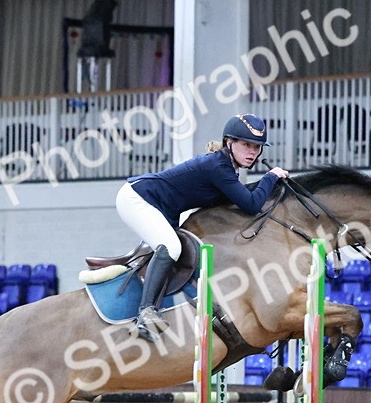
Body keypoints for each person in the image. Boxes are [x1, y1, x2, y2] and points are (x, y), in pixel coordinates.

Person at [116, 113, 291, 341]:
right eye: (247, 145)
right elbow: (251, 205)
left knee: (178, 250)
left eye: (257, 147)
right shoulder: (217, 166)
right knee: (171, 246)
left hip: (161, 208)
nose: (253, 152)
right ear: (229, 143)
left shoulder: (225, 169)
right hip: (138, 198)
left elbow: (242, 196)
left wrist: (270, 183)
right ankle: (146, 313)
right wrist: (270, 177)